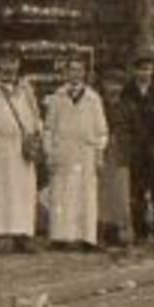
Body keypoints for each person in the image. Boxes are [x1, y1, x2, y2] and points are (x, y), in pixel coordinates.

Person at [0, 47, 42, 252]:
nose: (9, 66)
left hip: (21, 147)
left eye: (13, 62)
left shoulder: (26, 88)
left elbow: (35, 112)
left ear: (18, 64)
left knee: (23, 190)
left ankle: (23, 234)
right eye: (5, 62)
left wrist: (36, 132)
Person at [43, 60, 109, 252]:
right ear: (65, 73)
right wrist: (50, 152)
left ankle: (86, 237)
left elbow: (102, 131)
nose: (75, 73)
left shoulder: (93, 98)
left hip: (85, 154)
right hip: (63, 151)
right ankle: (59, 237)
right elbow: (48, 128)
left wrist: (99, 153)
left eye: (79, 70)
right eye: (71, 70)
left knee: (85, 195)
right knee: (60, 195)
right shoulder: (57, 97)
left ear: (84, 73)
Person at [125, 54, 154, 248]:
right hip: (135, 151)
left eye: (148, 69)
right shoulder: (128, 91)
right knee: (137, 193)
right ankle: (140, 230)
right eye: (141, 69)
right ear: (135, 71)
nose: (145, 73)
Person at [97, 76, 136, 249]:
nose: (113, 88)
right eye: (110, 83)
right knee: (102, 194)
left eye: (117, 84)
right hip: (102, 153)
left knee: (121, 194)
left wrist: (127, 146)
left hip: (121, 154)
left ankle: (122, 231)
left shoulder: (129, 107)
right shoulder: (97, 105)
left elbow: (137, 131)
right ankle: (104, 230)